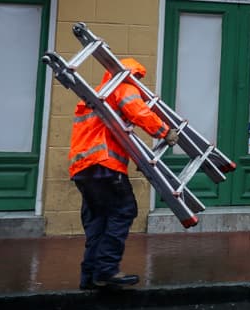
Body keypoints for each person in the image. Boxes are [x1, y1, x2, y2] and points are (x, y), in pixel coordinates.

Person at [69, 57, 177, 290]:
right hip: (105, 165)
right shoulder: (123, 87)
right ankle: (107, 270)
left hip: (82, 169)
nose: (138, 82)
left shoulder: (95, 94)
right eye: (137, 77)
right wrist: (164, 131)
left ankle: (91, 275)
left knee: (98, 219)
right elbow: (139, 112)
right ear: (131, 74)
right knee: (123, 210)